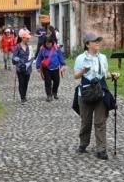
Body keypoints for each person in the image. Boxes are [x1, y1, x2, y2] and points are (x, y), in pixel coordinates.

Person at [74, 32, 119, 160]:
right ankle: (83, 144)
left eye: (98, 40)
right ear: (88, 44)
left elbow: (104, 74)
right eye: (95, 41)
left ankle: (101, 149)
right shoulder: (80, 58)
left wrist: (112, 75)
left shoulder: (103, 58)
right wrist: (83, 71)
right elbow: (75, 76)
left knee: (100, 122)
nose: (98, 42)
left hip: (100, 93)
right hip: (86, 93)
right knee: (86, 122)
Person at [35, 36, 66, 101]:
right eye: (46, 44)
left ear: (52, 43)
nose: (48, 45)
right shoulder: (42, 49)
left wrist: (63, 65)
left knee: (57, 81)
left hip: (55, 68)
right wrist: (38, 66)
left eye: (49, 43)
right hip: (46, 69)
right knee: (47, 82)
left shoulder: (56, 48)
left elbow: (60, 56)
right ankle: (49, 95)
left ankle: (54, 92)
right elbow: (39, 58)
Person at [12, 30, 33, 102]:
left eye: (28, 38)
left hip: (28, 68)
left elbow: (32, 57)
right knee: (21, 82)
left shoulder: (29, 47)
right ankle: (22, 97)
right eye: (27, 38)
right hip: (20, 68)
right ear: (23, 38)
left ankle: (24, 95)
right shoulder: (17, 47)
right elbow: (14, 57)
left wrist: (30, 62)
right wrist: (16, 59)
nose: (28, 39)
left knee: (26, 83)